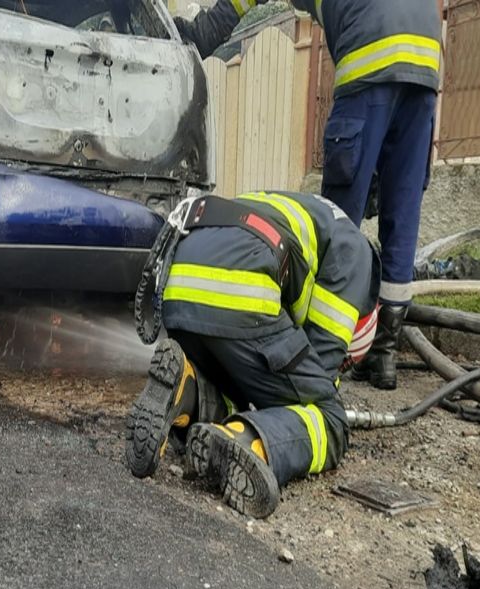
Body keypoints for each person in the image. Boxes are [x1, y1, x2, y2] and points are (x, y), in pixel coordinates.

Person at [174, 0, 441, 391]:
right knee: (402, 212)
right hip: (425, 62)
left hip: (369, 57)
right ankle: (384, 354)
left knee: (337, 223)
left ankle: (322, 357)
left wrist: (197, 35)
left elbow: (237, 4)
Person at [125, 192, 379, 519]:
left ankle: (185, 388)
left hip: (179, 282)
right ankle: (247, 440)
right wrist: (327, 386)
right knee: (330, 419)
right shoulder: (356, 253)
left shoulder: (314, 214)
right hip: (241, 285)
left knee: (243, 387)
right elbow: (322, 364)